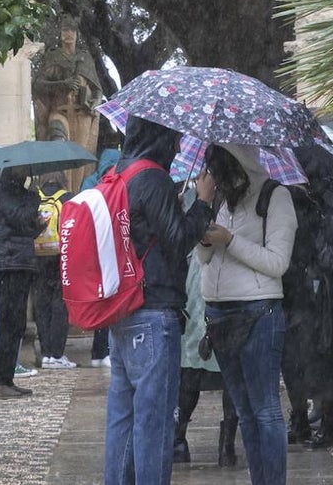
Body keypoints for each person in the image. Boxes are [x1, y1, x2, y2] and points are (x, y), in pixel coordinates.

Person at [103, 116, 216, 485]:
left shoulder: (123, 174)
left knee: (123, 417)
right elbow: (179, 240)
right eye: (175, 138)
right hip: (153, 313)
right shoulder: (153, 178)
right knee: (154, 420)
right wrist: (202, 203)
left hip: (123, 311)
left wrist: (175, 204)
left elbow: (144, 233)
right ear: (159, 137)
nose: (180, 146)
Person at [197, 143, 297, 485]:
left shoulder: (275, 196)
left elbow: (278, 263)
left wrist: (230, 239)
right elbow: (203, 260)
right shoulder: (219, 198)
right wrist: (205, 236)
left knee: (265, 410)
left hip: (259, 312)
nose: (220, 183)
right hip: (219, 312)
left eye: (223, 174)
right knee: (243, 410)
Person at [280, 146, 333, 450]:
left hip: (317, 299)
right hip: (291, 295)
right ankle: (299, 419)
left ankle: (329, 424)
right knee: (292, 363)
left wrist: (313, 256)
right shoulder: (288, 208)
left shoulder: (327, 215)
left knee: (320, 362)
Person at [0, 166, 43, 399]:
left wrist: (38, 226)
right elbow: (20, 217)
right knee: (8, 323)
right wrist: (34, 197)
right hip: (8, 265)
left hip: (13, 262)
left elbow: (22, 228)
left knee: (14, 324)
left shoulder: (4, 196)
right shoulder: (2, 195)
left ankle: (5, 378)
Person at [174, 251, 238, 466]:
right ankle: (225, 448)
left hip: (208, 276)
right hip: (220, 277)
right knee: (227, 373)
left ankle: (180, 442)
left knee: (194, 371)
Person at [32, 13, 102, 190]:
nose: (68, 34)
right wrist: (62, 84)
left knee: (81, 157)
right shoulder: (53, 57)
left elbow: (98, 90)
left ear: (77, 34)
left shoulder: (85, 58)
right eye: (64, 30)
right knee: (58, 144)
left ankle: (77, 194)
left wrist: (93, 103)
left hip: (81, 115)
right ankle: (59, 190)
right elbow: (38, 84)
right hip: (59, 111)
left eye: (71, 30)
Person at [83, 148, 121, 369]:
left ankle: (99, 351)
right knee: (111, 298)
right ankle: (104, 350)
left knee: (101, 300)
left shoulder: (90, 183)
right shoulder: (115, 181)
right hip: (109, 248)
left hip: (93, 248)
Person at [34, 174, 77, 368]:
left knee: (41, 304)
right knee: (60, 303)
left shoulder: (35, 198)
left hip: (38, 257)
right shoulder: (67, 198)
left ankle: (45, 353)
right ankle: (57, 354)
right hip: (61, 256)